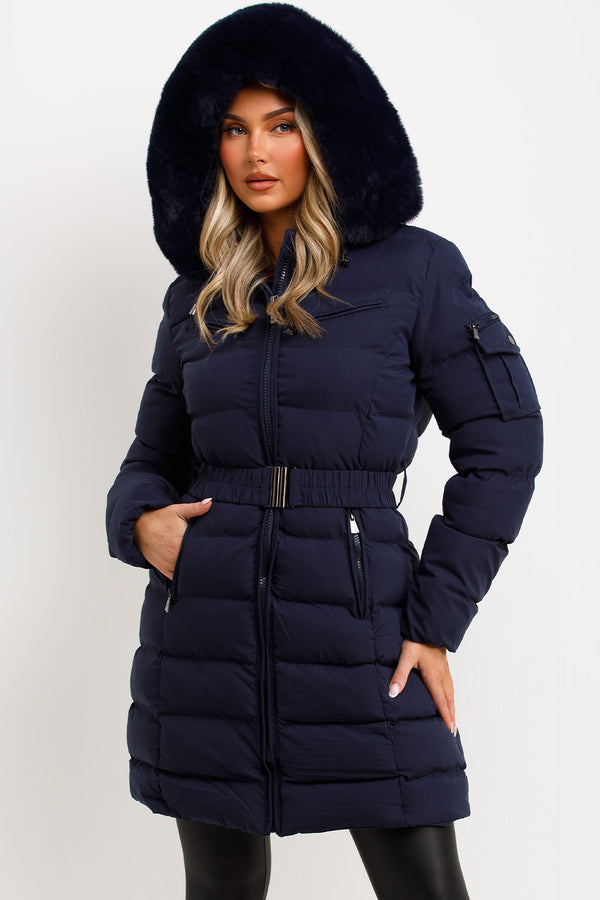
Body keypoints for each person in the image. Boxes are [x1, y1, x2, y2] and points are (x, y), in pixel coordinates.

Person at [105, 4, 543, 898]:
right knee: (219, 890)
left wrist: (434, 620)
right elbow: (150, 455)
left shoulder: (415, 271)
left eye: (282, 126)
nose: (256, 153)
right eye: (235, 129)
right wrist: (139, 522)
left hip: (365, 633)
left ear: (327, 134)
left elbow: (506, 439)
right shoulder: (197, 294)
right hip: (207, 641)